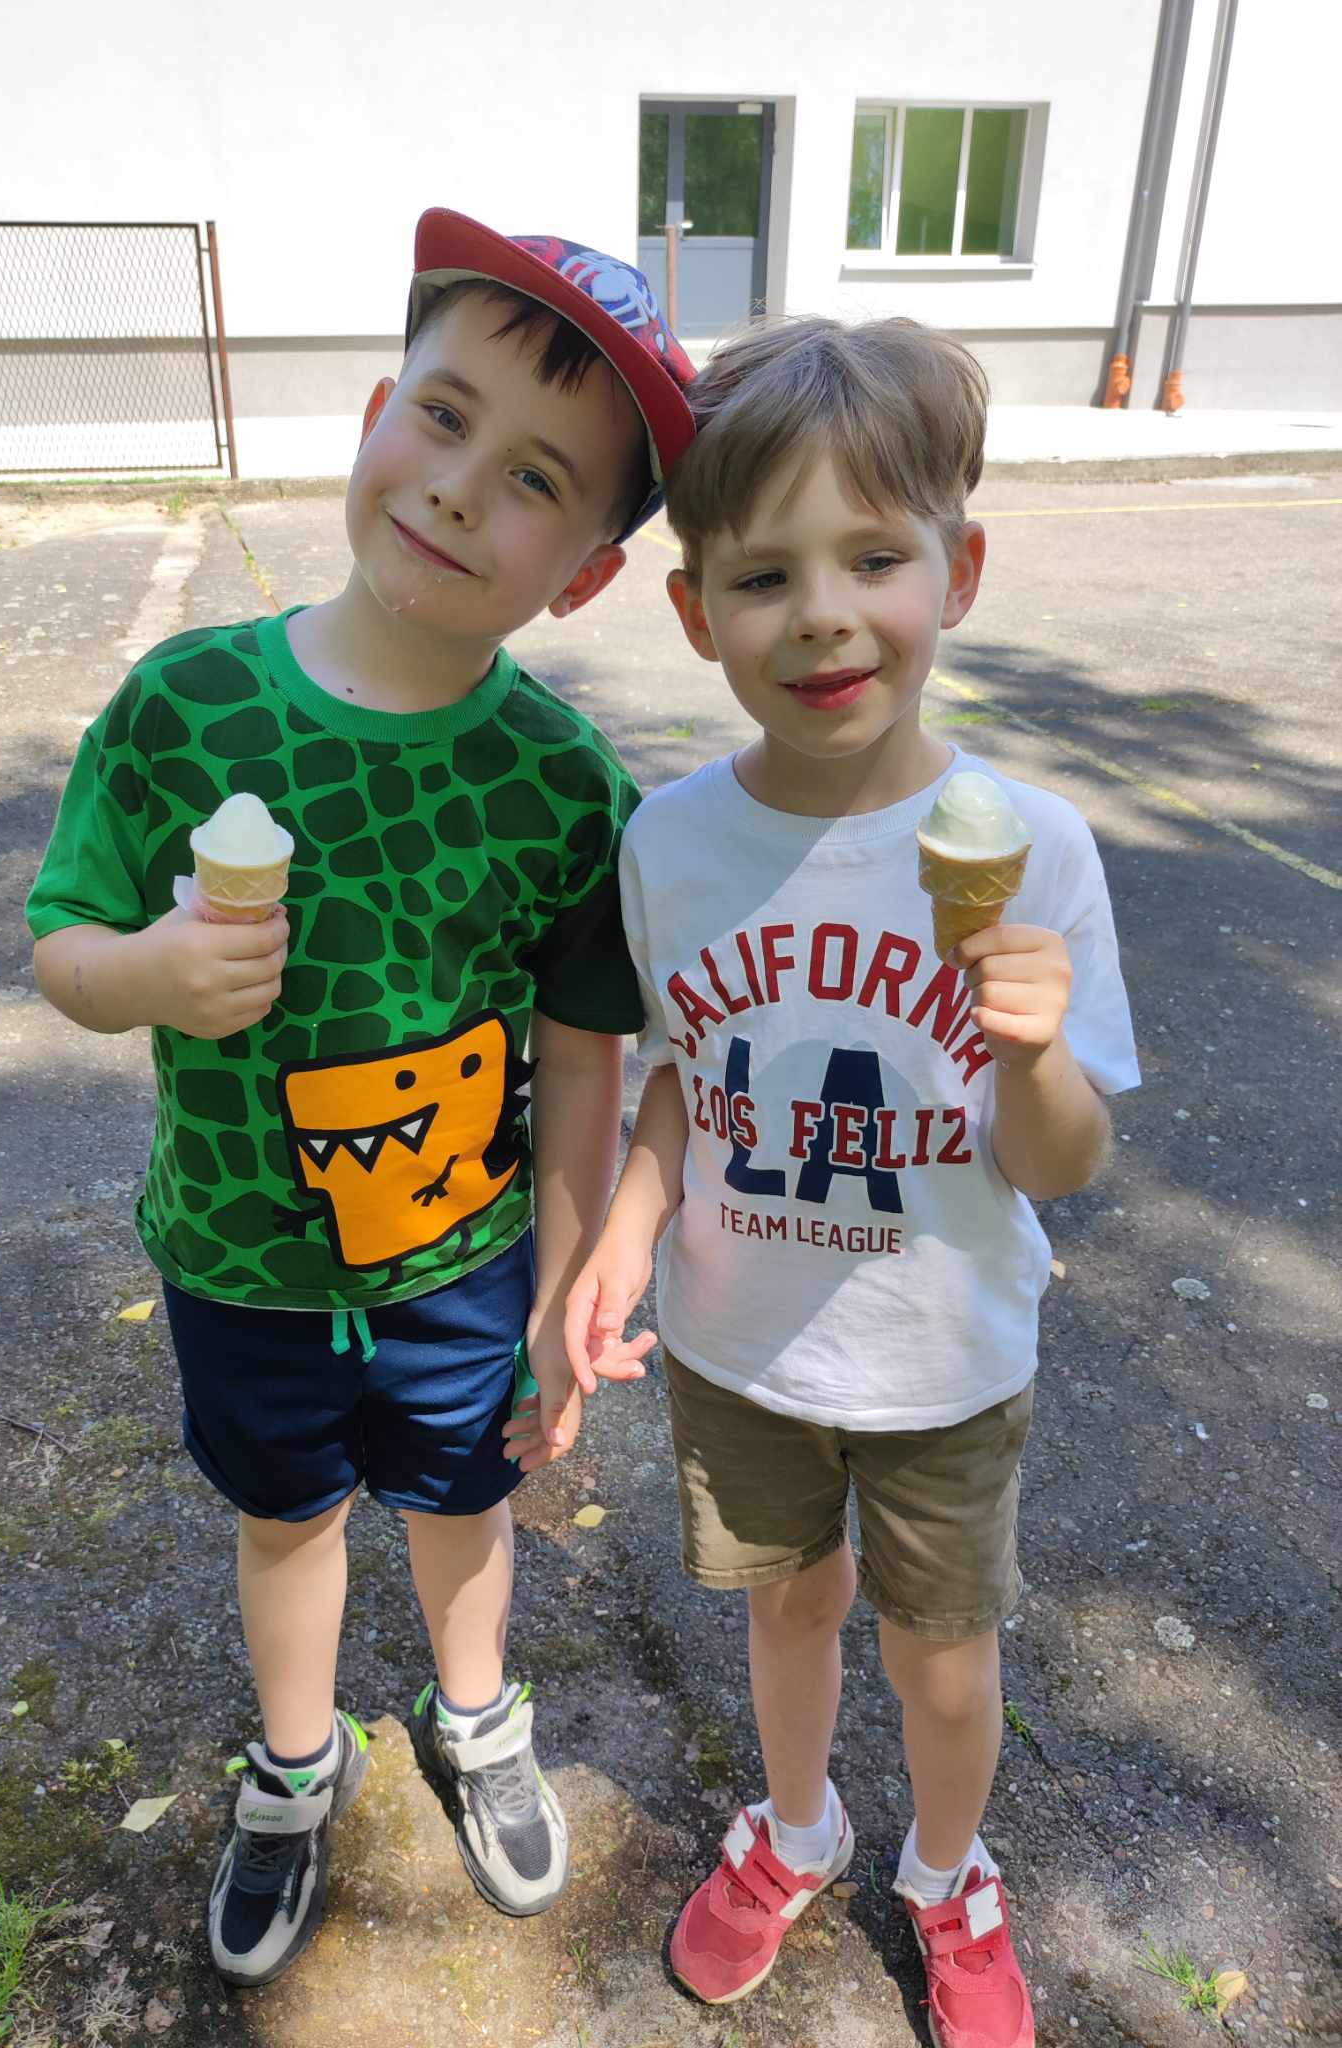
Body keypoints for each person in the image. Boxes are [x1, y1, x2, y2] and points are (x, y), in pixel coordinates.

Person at [26, 208, 690, 1989]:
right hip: (237, 1255)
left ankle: (475, 1718)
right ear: (377, 409)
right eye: (446, 415)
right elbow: (63, 944)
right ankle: (297, 1758)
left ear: (586, 577)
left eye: (537, 477)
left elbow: (586, 1058)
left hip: (460, 1261)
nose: (462, 485)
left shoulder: (563, 785)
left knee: (468, 1503)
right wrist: (153, 973)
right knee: (285, 1515)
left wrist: (565, 1281)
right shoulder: (183, 712)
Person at [563, 315, 1138, 2045]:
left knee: (943, 1658)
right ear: (695, 614)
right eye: (765, 575)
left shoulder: (1037, 847)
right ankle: (797, 1826)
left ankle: (951, 1873)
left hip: (943, 1360)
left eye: (873, 558)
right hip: (741, 1348)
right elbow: (685, 1075)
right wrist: (625, 1231)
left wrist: (1033, 1047)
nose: (822, 614)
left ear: (958, 571)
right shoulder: (671, 841)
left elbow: (1062, 1162)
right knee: (789, 1606)